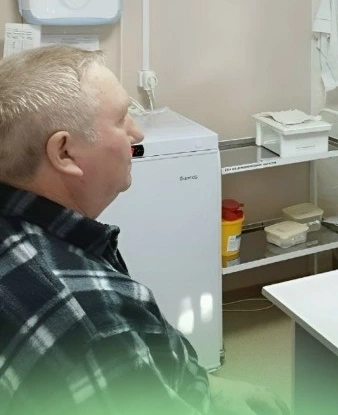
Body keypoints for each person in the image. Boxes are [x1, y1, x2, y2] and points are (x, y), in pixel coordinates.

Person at [0, 45, 289, 414]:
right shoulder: (94, 329)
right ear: (65, 153)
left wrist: (210, 387)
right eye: (121, 119)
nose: (136, 133)